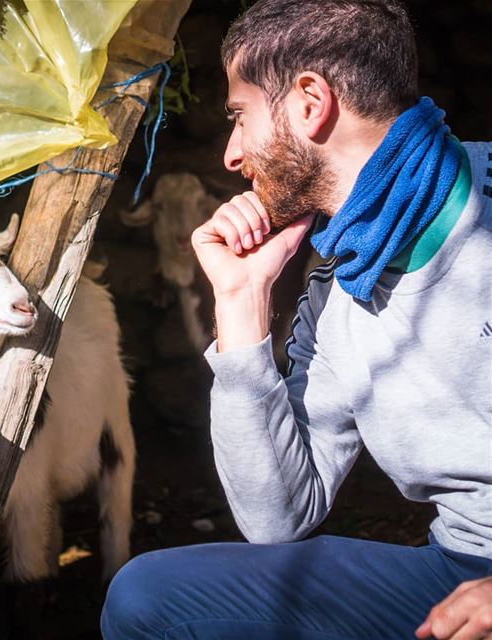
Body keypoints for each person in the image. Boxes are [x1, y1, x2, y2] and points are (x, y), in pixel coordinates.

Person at [101, 0, 492, 638]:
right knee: (147, 599)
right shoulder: (339, 290)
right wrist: (241, 307)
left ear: (310, 101)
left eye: (239, 116)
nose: (230, 154)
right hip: (456, 572)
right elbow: (278, 517)